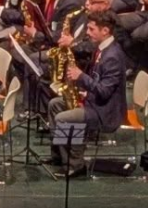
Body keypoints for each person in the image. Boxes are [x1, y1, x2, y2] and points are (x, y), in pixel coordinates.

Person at [48, 9, 127, 177]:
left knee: (63, 118)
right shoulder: (101, 49)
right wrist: (84, 93)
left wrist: (81, 76)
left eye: (91, 29)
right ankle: (60, 156)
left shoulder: (112, 56)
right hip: (95, 102)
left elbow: (104, 91)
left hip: (105, 112)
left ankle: (75, 165)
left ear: (105, 31)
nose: (87, 32)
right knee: (55, 105)